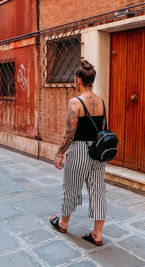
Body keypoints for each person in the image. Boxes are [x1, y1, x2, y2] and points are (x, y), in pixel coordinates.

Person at [50, 60, 107, 246]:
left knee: (71, 187)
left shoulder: (76, 102)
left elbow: (70, 131)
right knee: (98, 190)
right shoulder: (101, 101)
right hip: (98, 151)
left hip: (80, 150)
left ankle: (63, 222)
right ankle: (97, 234)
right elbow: (103, 127)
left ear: (78, 80)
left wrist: (60, 153)